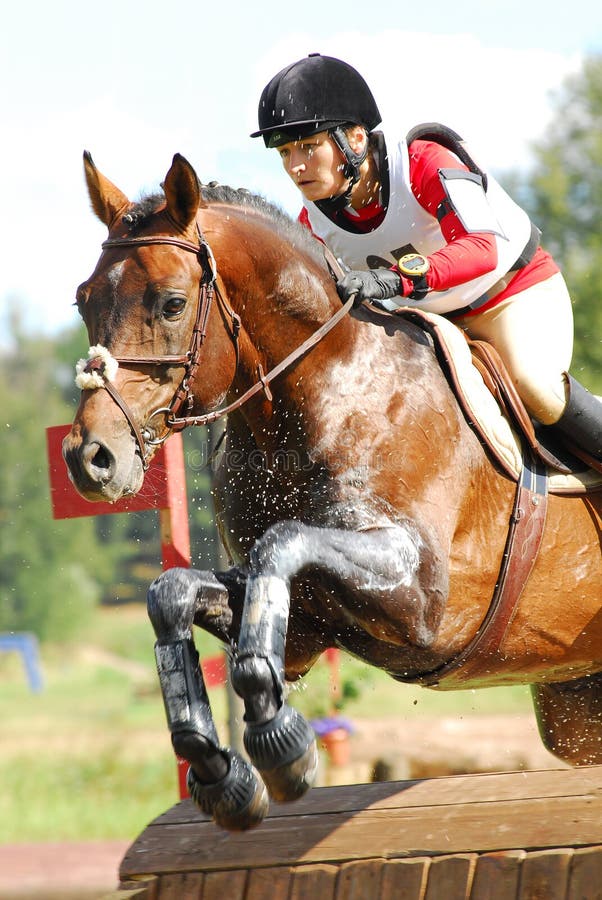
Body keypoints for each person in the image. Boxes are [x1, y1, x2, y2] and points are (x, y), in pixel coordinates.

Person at [251, 53, 601, 464]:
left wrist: (395, 280)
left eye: (309, 147)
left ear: (356, 140)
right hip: (434, 327)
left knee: (534, 385)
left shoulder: (423, 162)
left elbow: (481, 249)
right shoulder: (311, 226)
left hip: (511, 297)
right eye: (285, 153)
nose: (295, 167)